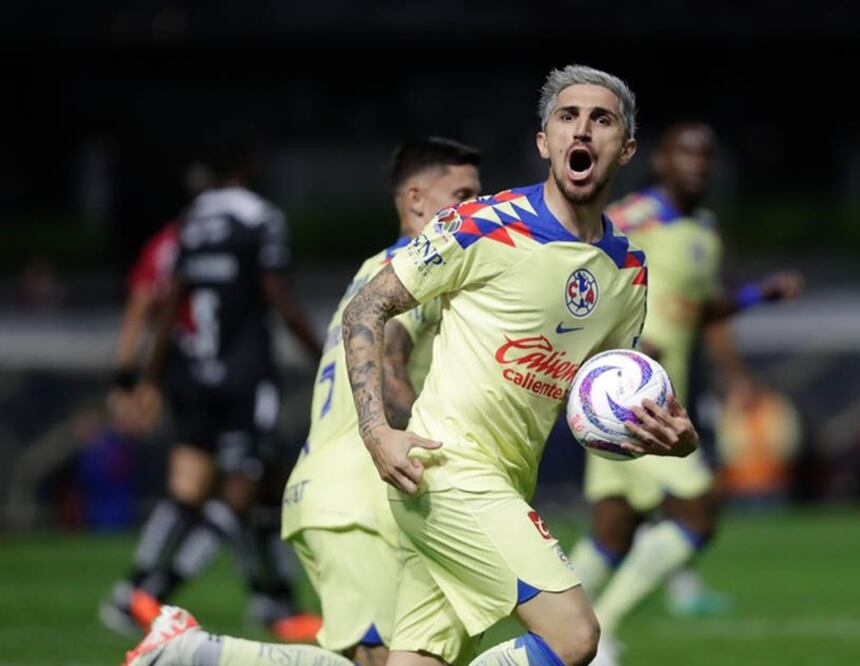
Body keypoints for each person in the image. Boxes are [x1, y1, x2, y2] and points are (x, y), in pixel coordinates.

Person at [124, 64, 698, 666]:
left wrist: (664, 437)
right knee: (575, 636)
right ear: (544, 140)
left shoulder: (627, 272)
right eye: (567, 117)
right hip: (450, 471)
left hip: (506, 482)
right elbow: (366, 308)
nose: (582, 130)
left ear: (625, 148)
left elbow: (606, 398)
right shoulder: (484, 224)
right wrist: (377, 432)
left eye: (601, 120)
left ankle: (190, 653)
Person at [122, 137, 482, 666]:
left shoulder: (374, 272)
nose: (477, 210)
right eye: (464, 196)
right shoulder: (414, 272)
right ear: (415, 201)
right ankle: (191, 649)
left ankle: (197, 650)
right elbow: (389, 365)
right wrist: (448, 465)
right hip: (362, 499)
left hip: (336, 493)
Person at [569, 120, 802, 661]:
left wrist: (759, 295)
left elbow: (698, 310)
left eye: (705, 155)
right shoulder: (633, 217)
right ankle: (603, 630)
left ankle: (548, 635)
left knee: (614, 529)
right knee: (699, 508)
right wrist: (618, 337)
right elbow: (578, 270)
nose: (697, 163)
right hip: (627, 396)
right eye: (685, 153)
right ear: (661, 161)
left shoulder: (704, 229)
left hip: (660, 393)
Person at [102, 133, 325, 642]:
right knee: (241, 490)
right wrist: (324, 353)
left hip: (191, 372)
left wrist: (147, 378)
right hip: (244, 376)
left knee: (227, 487)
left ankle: (272, 601)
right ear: (248, 165)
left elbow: (166, 300)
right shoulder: (259, 216)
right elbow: (276, 292)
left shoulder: (190, 221)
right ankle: (152, 591)